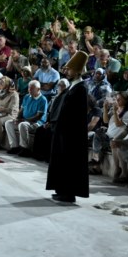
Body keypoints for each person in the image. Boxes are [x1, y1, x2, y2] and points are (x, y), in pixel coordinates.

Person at [46, 51, 90, 204]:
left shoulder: (81, 89)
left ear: (77, 71)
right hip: (63, 131)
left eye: (70, 69)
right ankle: (61, 189)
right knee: (61, 161)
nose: (67, 71)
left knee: (69, 163)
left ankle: (68, 192)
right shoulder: (72, 87)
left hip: (72, 134)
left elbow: (77, 115)